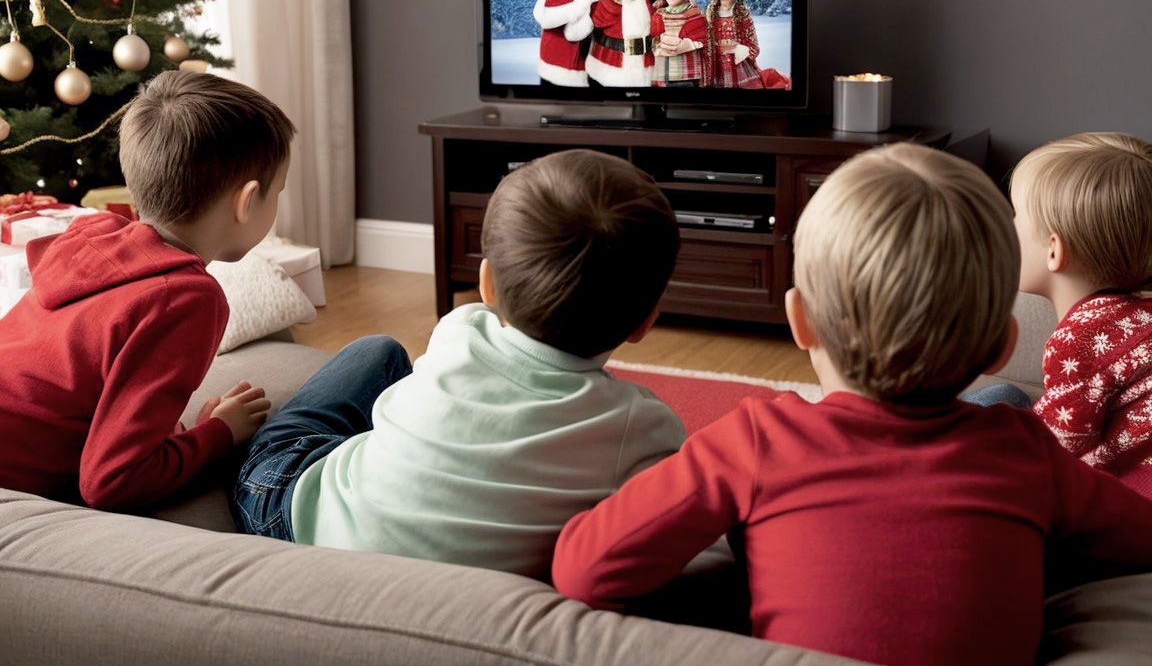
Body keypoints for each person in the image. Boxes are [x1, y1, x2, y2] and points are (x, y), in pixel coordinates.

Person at [552, 142, 1152, 666]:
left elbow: (583, 571)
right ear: (1003, 344)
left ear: (799, 321)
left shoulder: (756, 440)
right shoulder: (1026, 452)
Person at [232, 148, 686, 580]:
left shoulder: (460, 331)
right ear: (645, 322)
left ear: (486, 284)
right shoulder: (645, 427)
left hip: (288, 517)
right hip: (441, 593)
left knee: (379, 352)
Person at [0, 70, 292, 510]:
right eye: (279, 192)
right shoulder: (186, 298)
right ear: (247, 200)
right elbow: (113, 481)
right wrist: (218, 434)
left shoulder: (93, 235)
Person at [967, 132, 1152, 496]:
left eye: (1016, 217)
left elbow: (1054, 454)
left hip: (1128, 503)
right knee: (1004, 395)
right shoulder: (1139, 312)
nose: (1008, 227)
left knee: (986, 411)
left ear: (1054, 251)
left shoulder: (1078, 340)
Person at [703, 0, 762, 88]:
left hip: (739, 69)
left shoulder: (742, 16)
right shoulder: (710, 14)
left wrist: (743, 50)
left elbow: (754, 46)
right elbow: (704, 40)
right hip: (716, 68)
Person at [650, 0, 707, 87]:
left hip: (687, 74)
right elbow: (652, 36)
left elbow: (703, 38)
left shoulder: (695, 16)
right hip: (660, 73)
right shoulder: (659, 15)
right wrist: (657, 43)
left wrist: (689, 44)